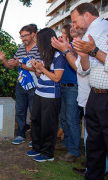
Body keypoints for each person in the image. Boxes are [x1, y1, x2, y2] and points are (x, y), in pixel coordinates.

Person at [68, 3, 108, 180]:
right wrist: (85, 55)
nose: (74, 26)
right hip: (95, 94)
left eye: (75, 21)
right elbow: (83, 70)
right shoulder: (87, 35)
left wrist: (93, 51)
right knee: (93, 143)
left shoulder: (105, 29)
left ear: (87, 15)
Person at [0, 24, 40, 146]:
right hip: (21, 85)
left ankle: (35, 138)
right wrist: (4, 59)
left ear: (33, 34)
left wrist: (20, 65)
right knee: (20, 111)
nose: (23, 39)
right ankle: (21, 135)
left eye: (25, 36)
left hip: (34, 86)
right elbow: (11, 66)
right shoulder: (21, 49)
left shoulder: (39, 48)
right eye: (21, 36)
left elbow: (38, 68)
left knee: (34, 112)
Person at [27, 28, 65, 162]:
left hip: (51, 96)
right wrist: (38, 69)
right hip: (39, 92)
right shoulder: (43, 55)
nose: (36, 42)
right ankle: (37, 147)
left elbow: (57, 78)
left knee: (48, 125)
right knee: (36, 120)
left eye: (38, 40)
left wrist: (42, 68)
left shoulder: (58, 56)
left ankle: (48, 153)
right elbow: (40, 75)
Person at [56, 24, 81, 162]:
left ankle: (74, 151)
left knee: (72, 119)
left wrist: (68, 49)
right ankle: (66, 144)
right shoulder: (62, 47)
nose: (62, 35)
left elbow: (78, 62)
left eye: (64, 33)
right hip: (63, 86)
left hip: (73, 87)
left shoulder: (75, 46)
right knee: (64, 118)